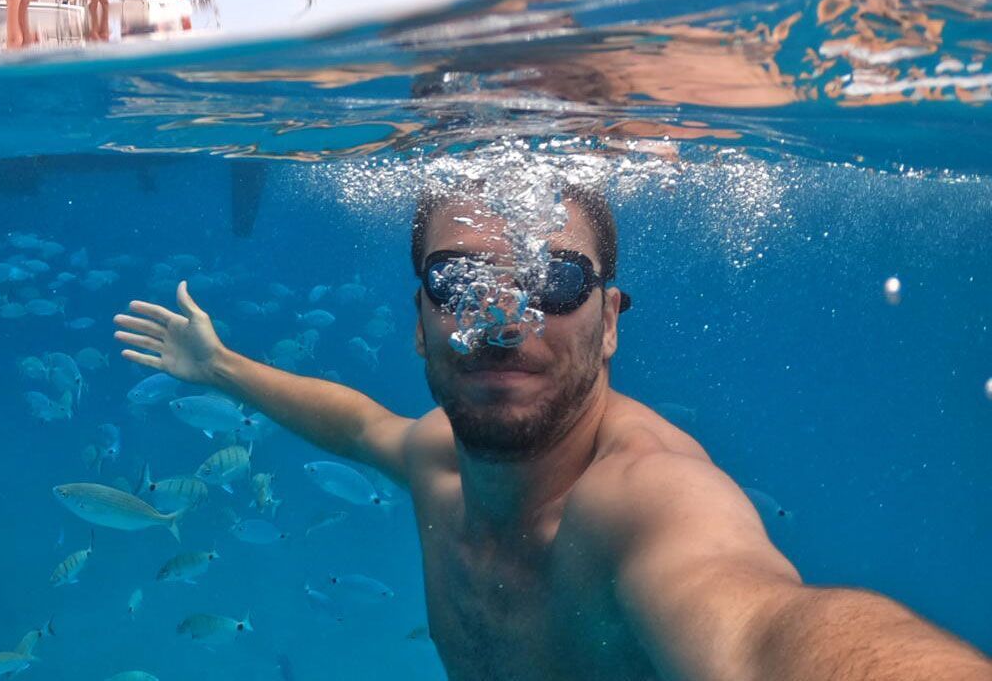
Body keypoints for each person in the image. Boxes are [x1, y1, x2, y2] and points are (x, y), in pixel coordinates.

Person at [114, 181, 991, 681]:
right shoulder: (436, 459)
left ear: (611, 320)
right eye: (461, 283)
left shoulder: (647, 504)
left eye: (556, 280)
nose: (503, 321)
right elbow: (358, 426)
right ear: (420, 320)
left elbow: (767, 638)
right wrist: (225, 368)